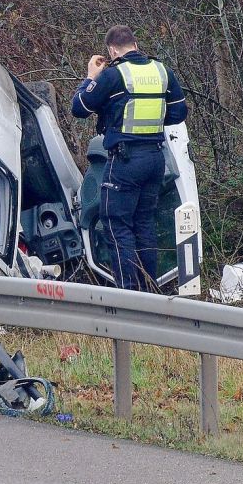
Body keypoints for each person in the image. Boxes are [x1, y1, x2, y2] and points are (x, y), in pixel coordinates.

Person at [71, 25, 187, 291]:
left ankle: (129, 297)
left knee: (116, 224)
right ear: (135, 43)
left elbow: (79, 108)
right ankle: (149, 292)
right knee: (144, 223)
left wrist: (90, 76)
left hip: (125, 161)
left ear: (112, 50)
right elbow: (179, 113)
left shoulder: (112, 76)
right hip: (155, 161)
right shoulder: (162, 71)